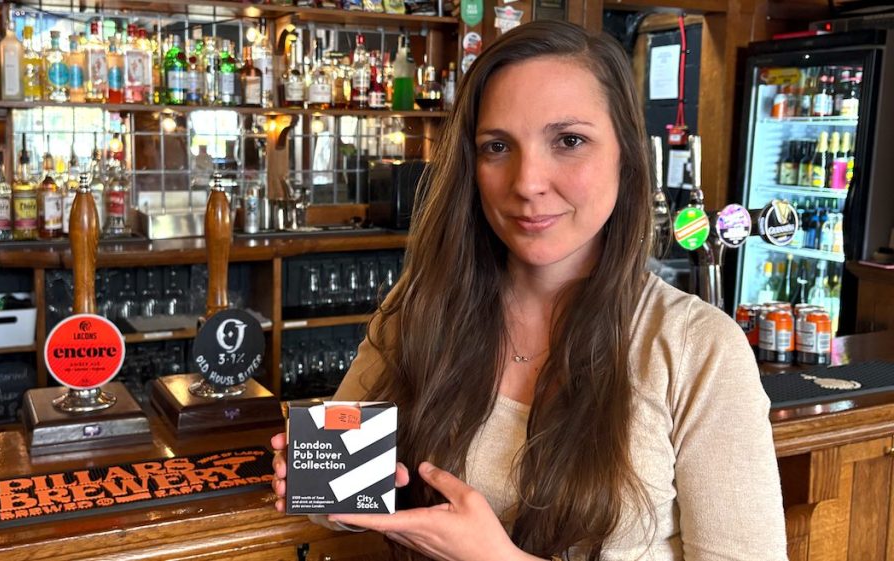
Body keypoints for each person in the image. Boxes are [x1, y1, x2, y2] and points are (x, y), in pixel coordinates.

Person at [271, 19, 787, 561]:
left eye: (569, 141)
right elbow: (346, 491)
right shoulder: (421, 308)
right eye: (497, 146)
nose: (527, 183)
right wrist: (318, 484)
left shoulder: (697, 348)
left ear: (627, 155)